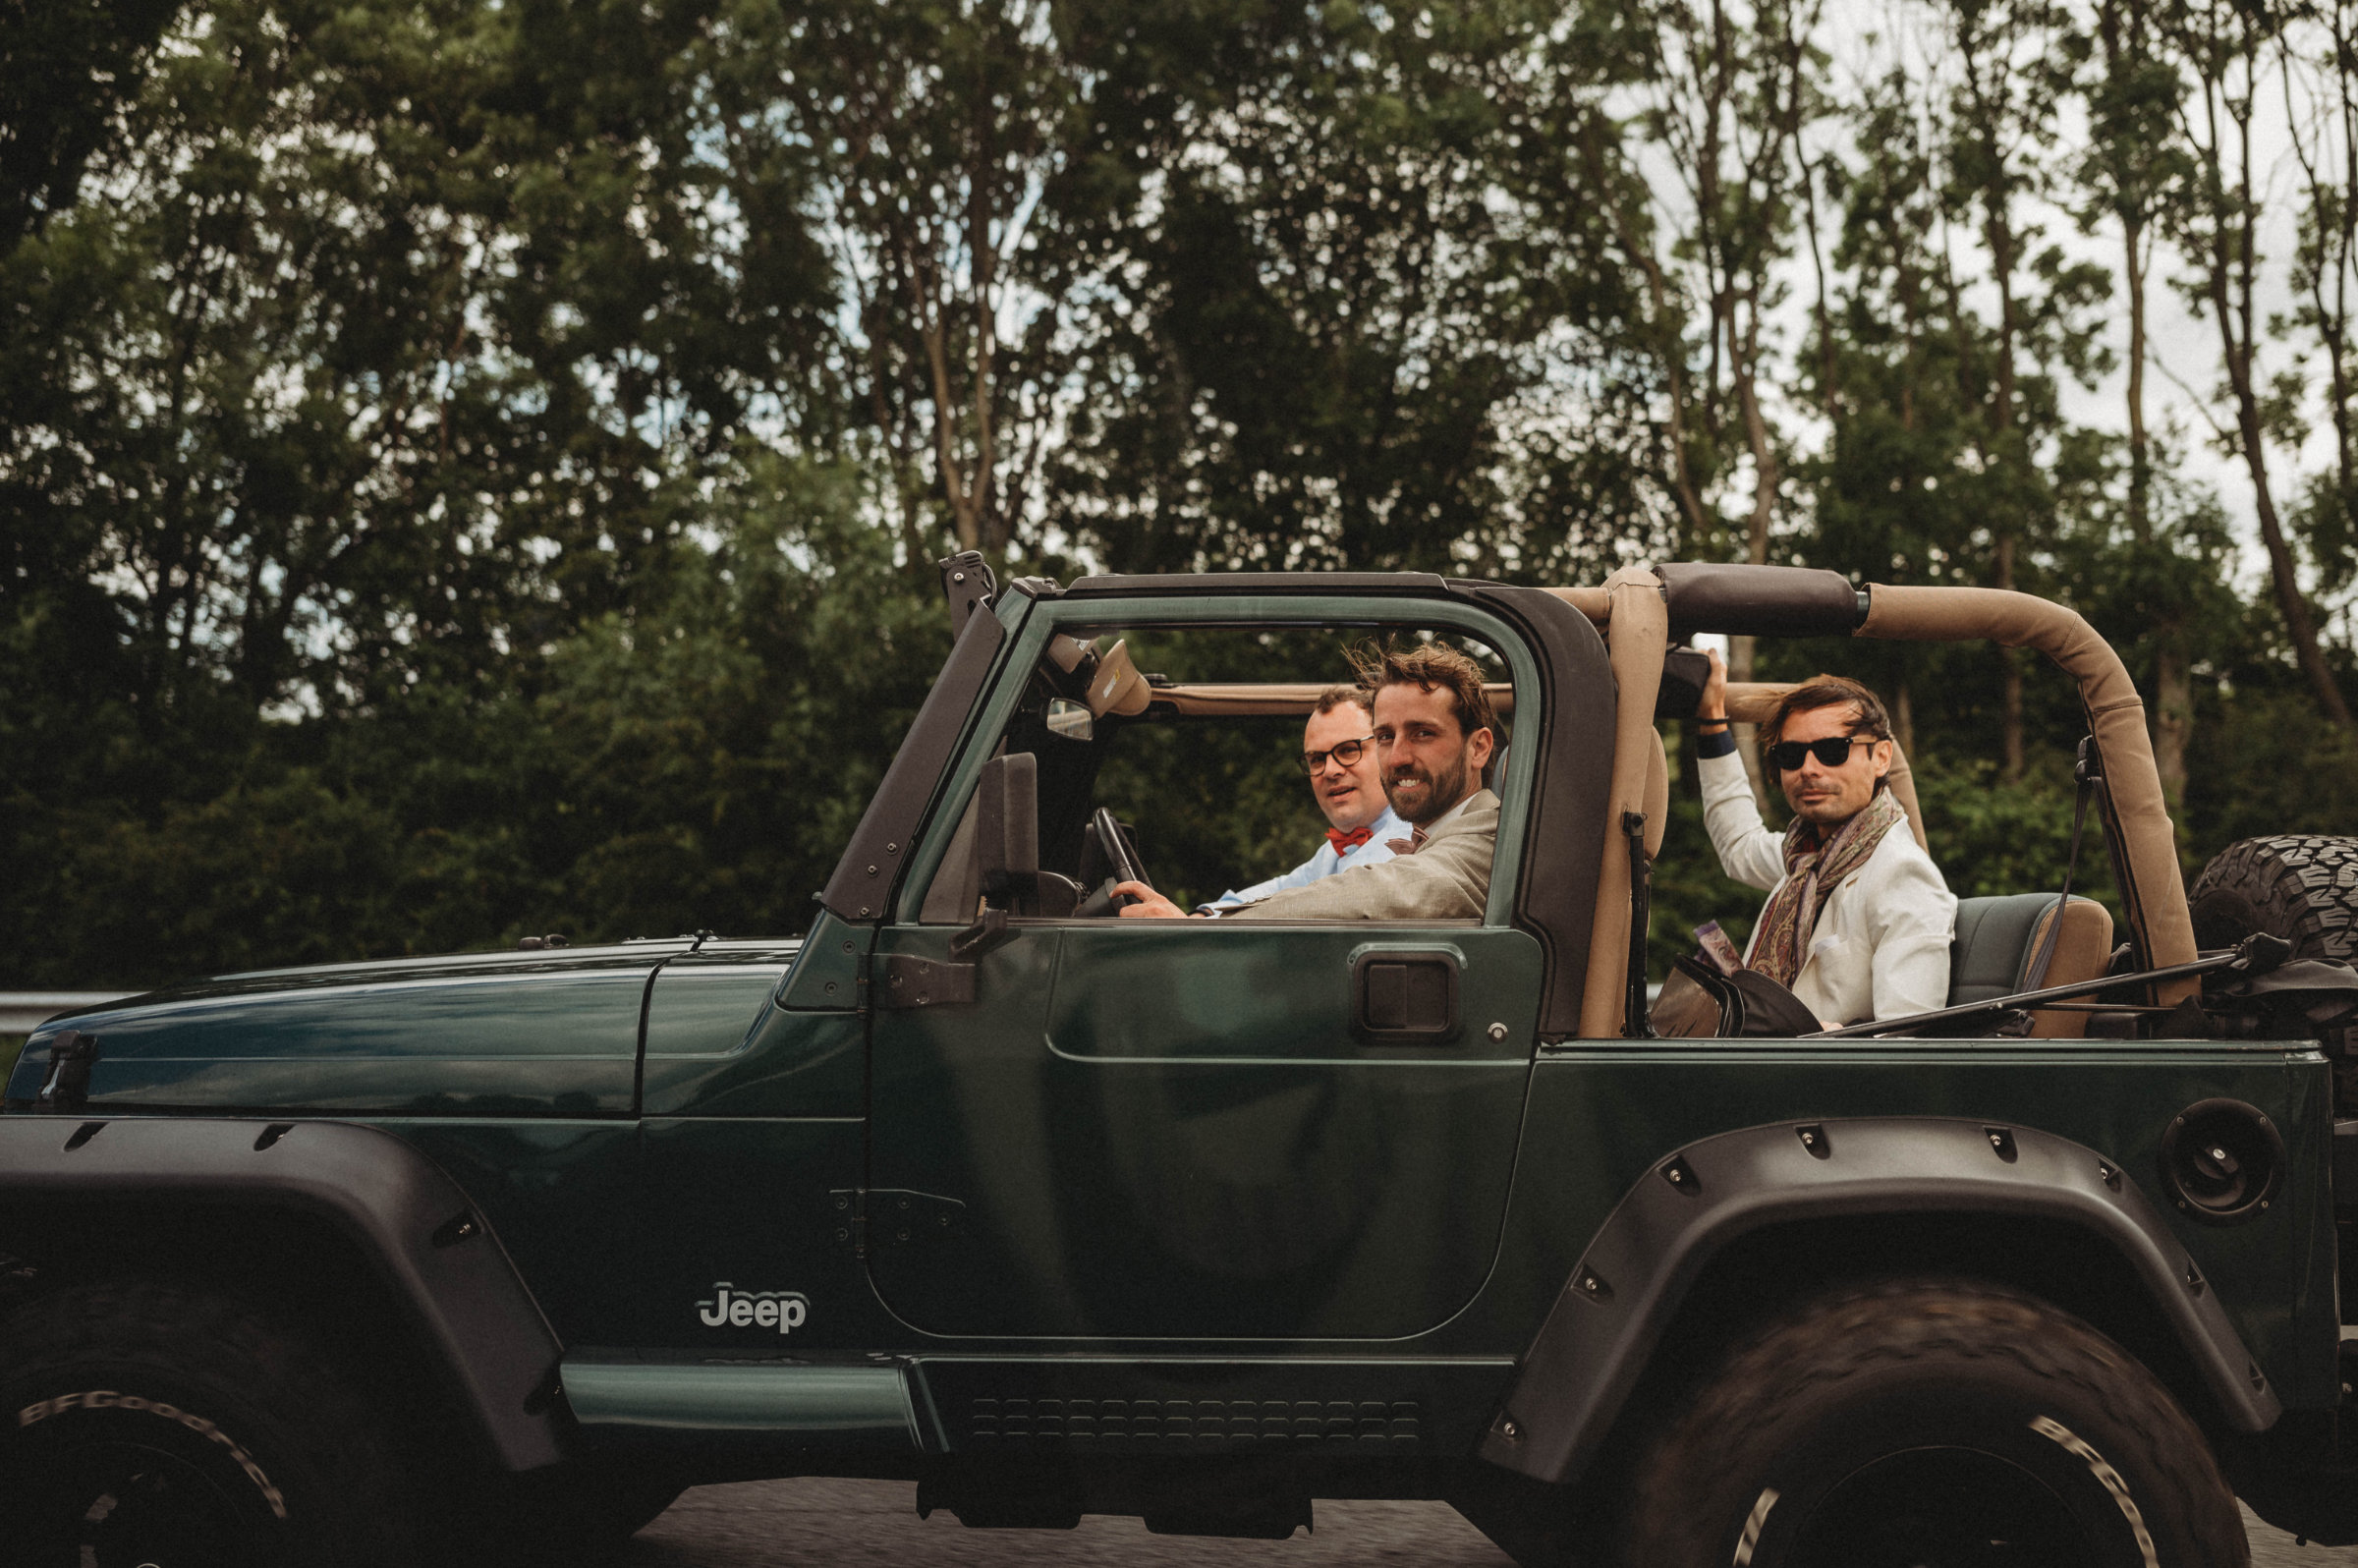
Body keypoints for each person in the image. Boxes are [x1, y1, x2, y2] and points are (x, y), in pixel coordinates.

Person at [1119, 642, 1499, 922]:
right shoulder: (1419, 831)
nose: (1398, 757)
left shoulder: (1492, 834)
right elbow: (1289, 886)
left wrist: (1200, 930)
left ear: (1478, 748)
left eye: (1423, 734)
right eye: (1385, 736)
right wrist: (1202, 917)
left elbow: (1370, 894)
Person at [1695, 652, 1955, 1027]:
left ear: (1881, 758)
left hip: (1819, 1065)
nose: (1808, 769)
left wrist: (1824, 1037)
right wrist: (1712, 722)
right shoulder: (1804, 861)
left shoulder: (1903, 875)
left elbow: (1906, 1038)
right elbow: (1739, 846)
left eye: (1833, 750)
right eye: (1791, 754)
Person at [1193, 685, 1412, 914]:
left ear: (1386, 749)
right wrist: (1205, 914)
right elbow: (1282, 888)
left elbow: (1326, 902)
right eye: (1316, 759)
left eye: (1348, 750)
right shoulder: (1333, 852)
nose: (1330, 771)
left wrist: (1208, 923)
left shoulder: (1414, 834)